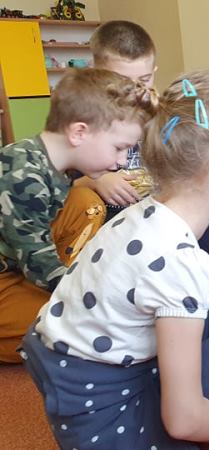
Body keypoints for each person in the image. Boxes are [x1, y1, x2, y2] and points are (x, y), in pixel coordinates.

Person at [20, 71, 209, 449]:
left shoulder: (142, 214)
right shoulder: (181, 263)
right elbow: (184, 422)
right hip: (113, 414)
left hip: (80, 373)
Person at [0, 69, 155, 363]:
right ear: (79, 133)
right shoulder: (24, 174)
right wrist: (96, 298)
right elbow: (37, 260)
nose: (121, 161)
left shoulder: (59, 164)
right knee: (65, 324)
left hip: (16, 265)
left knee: (85, 202)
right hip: (12, 273)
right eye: (119, 148)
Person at [77, 20, 209, 262]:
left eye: (143, 80)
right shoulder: (82, 119)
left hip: (159, 212)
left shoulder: (161, 114)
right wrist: (96, 181)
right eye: (122, 81)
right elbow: (64, 187)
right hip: (113, 221)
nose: (134, 91)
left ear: (154, 72)